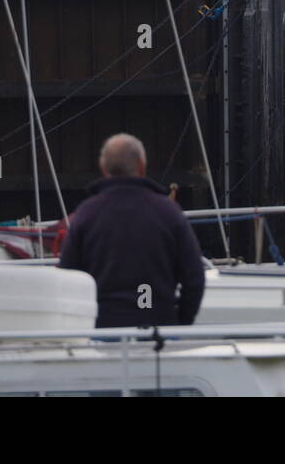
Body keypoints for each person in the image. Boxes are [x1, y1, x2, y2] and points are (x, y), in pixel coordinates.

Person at [58, 133, 206, 329]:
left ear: (104, 169)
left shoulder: (86, 214)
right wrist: (179, 321)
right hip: (159, 329)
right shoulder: (168, 212)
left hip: (103, 329)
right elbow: (194, 277)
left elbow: (68, 278)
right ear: (142, 166)